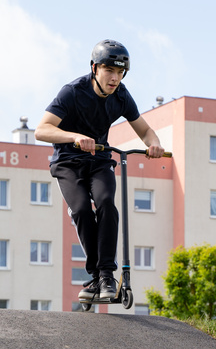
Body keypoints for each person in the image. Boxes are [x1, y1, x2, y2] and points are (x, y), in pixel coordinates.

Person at [34, 39, 164, 303]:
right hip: (68, 162)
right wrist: (74, 137)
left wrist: (154, 144)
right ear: (94, 68)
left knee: (106, 204)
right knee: (82, 210)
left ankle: (106, 275)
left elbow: (145, 130)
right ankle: (95, 276)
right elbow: (42, 130)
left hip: (100, 161)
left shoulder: (122, 96)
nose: (115, 79)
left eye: (120, 73)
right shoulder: (72, 92)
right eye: (109, 71)